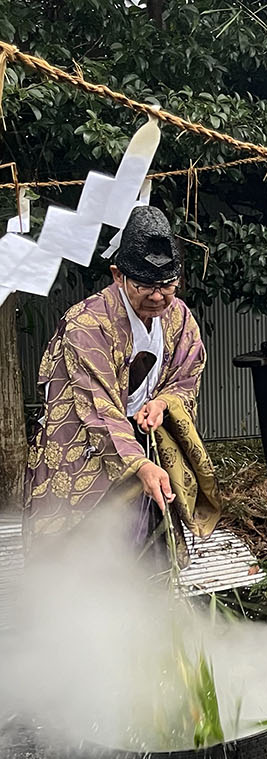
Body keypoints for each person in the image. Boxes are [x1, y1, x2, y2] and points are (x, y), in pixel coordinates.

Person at [25, 206, 216, 544]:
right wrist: (138, 464)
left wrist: (162, 403)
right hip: (86, 442)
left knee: (152, 534)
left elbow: (187, 375)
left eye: (167, 285)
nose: (157, 296)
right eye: (144, 285)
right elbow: (96, 406)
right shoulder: (86, 323)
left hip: (147, 435)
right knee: (91, 544)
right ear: (117, 275)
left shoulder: (179, 316)